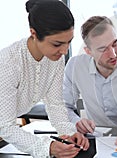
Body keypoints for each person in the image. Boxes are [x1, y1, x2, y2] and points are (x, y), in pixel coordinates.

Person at [0, 0, 89, 157]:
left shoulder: (55, 59)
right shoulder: (9, 62)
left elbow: (54, 103)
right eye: (57, 44)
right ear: (33, 33)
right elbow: (6, 126)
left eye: (69, 42)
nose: (64, 50)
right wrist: (48, 147)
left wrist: (68, 133)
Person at [63, 16, 117, 147]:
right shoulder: (75, 66)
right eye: (103, 49)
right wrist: (76, 122)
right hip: (95, 140)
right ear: (88, 51)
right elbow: (64, 106)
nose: (113, 54)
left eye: (114, 44)